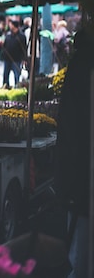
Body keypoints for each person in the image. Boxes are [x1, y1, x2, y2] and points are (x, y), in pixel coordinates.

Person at [56, 28, 93, 278]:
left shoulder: (78, 67)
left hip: (79, 168)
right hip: (82, 168)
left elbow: (68, 126)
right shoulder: (82, 69)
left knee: (79, 246)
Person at [1, 20, 27, 88]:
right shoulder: (8, 35)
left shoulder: (21, 36)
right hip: (7, 58)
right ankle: (5, 87)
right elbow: (5, 45)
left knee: (17, 75)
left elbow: (24, 48)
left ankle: (17, 88)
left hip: (17, 59)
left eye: (11, 25)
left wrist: (24, 59)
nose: (10, 26)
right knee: (6, 75)